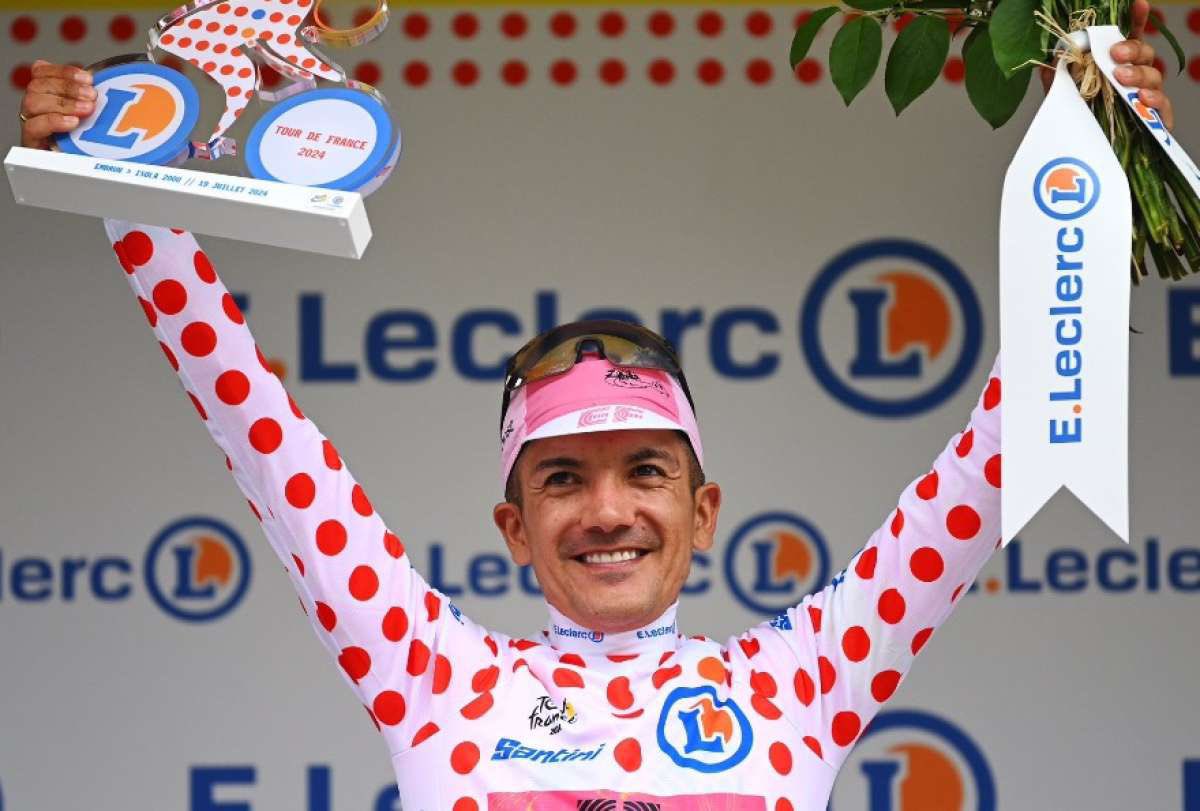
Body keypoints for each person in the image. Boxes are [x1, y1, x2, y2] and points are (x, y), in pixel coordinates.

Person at [16, 7, 1174, 808]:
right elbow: (253, 420)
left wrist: (1101, 164)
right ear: (514, 525)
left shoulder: (799, 681)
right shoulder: (436, 677)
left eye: (646, 470)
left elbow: (1001, 450)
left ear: (704, 510)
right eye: (563, 476)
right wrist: (118, 174)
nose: (607, 509)